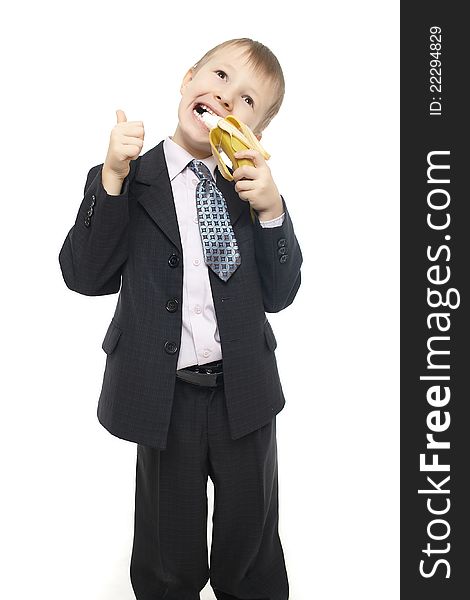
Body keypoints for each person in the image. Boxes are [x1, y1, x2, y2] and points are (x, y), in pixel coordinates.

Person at [59, 37, 303, 600]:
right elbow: (84, 275)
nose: (224, 96)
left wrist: (271, 211)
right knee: (167, 552)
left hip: (243, 391)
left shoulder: (249, 186)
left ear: (256, 132)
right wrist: (112, 179)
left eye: (246, 100)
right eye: (217, 76)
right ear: (187, 77)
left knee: (251, 543)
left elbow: (281, 293)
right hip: (163, 395)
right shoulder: (129, 177)